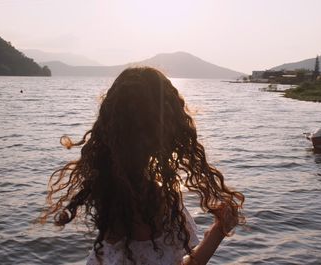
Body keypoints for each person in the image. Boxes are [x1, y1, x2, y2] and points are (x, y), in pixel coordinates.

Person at [39, 67, 245, 265]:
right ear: (164, 130)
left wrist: (218, 231)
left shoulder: (107, 193)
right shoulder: (156, 201)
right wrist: (219, 230)